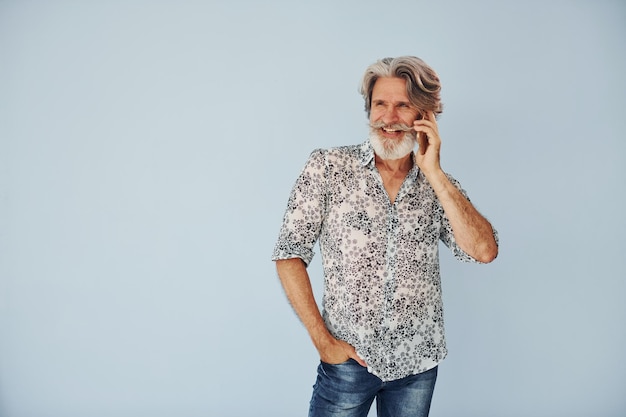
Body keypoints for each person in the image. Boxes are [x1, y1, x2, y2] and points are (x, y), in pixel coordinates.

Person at [271, 56, 498, 417]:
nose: (389, 118)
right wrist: (322, 340)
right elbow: (289, 254)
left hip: (417, 366)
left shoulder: (440, 187)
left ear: (425, 116)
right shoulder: (328, 167)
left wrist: (435, 173)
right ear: (369, 109)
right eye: (380, 104)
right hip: (346, 362)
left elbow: (484, 251)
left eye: (403, 106)